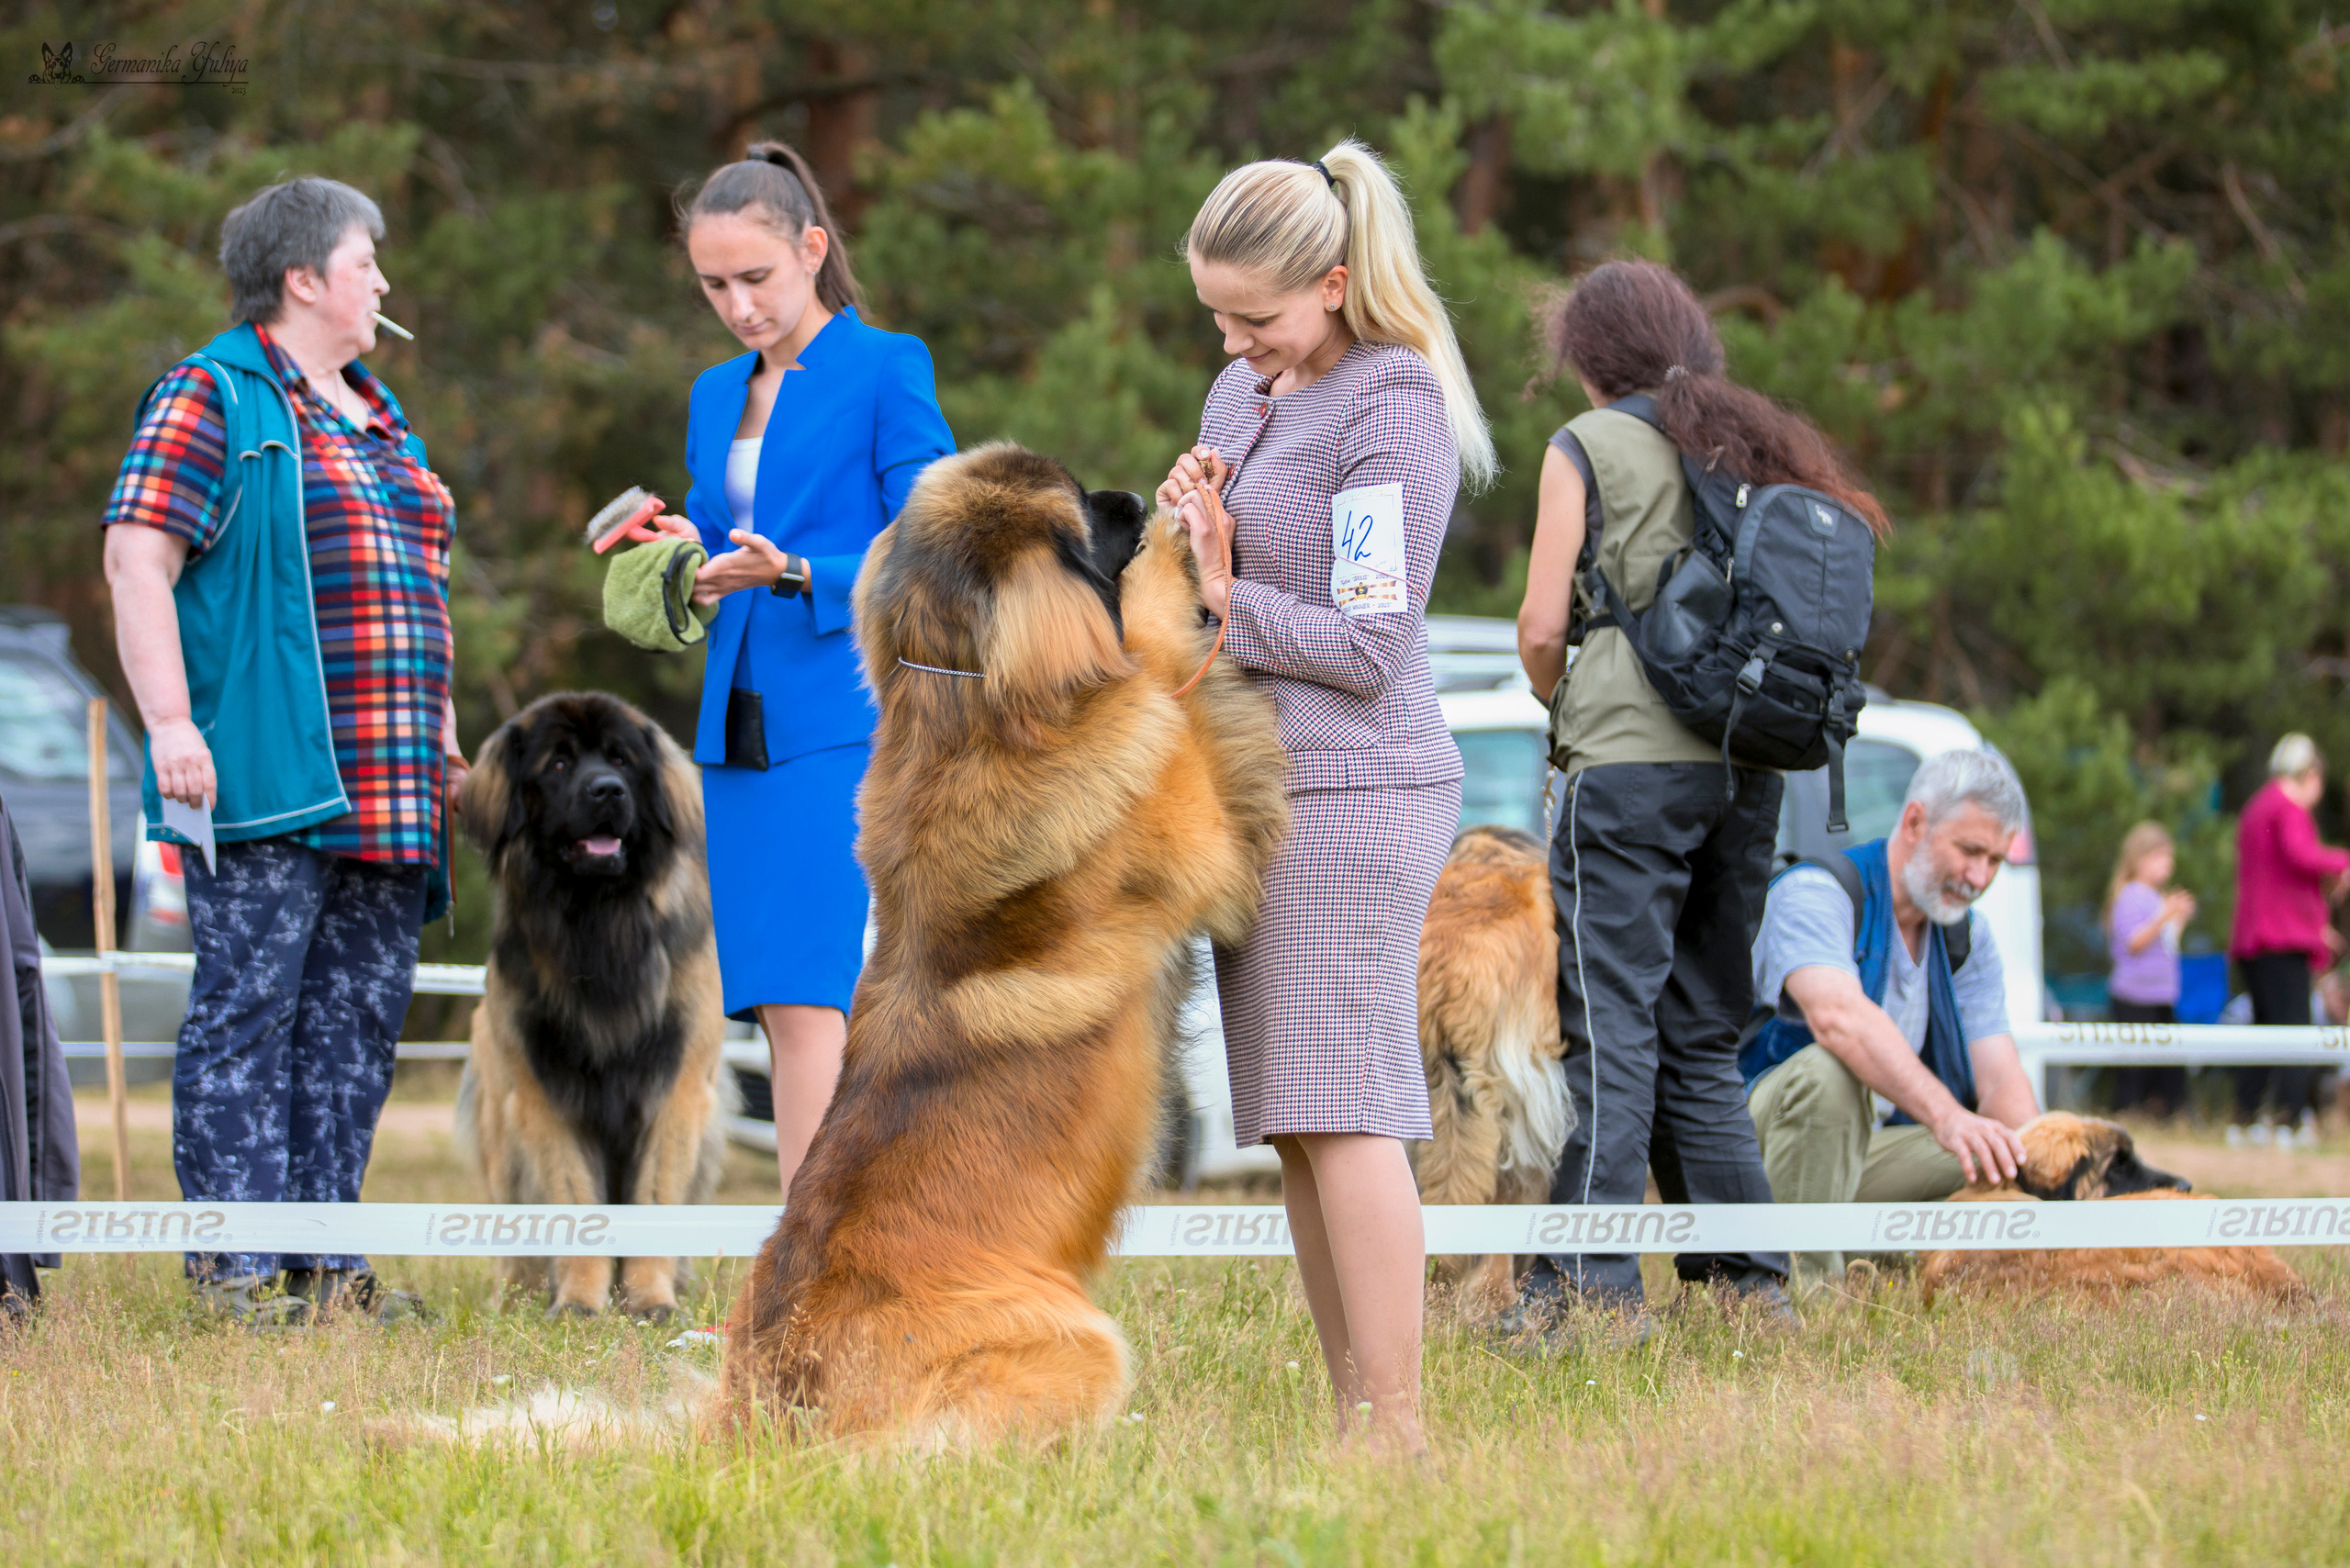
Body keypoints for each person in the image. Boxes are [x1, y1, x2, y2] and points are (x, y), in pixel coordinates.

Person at [1158, 140, 1487, 1449]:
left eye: (1258, 316)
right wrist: (1189, 544)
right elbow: (1202, 588)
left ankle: (1397, 1427)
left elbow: (1365, 643)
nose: (1235, 345)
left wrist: (1225, 590)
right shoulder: (1242, 397)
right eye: (1216, 318)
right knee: (1294, 1118)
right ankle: (1351, 1406)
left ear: (1340, 281)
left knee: (1347, 1110)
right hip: (1252, 786)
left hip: (1359, 786)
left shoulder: (1390, 405)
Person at [100, 176, 454, 1325]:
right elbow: (136, 555)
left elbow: (409, 584)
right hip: (265, 766)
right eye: (367, 263)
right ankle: (237, 1274)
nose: (383, 282)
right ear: (304, 278)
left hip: (389, 783)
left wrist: (439, 727)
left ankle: (323, 1264)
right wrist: (167, 724)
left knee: (353, 1025)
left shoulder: (375, 411)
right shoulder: (213, 395)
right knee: (250, 1012)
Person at [1512, 259, 1891, 1324]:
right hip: (1745, 773)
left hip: (1626, 774)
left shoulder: (1585, 445)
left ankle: (1586, 1288)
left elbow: (1543, 626)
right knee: (1699, 1034)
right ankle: (1747, 1287)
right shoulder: (1748, 444)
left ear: (1587, 358)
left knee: (1612, 1024)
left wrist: (1565, 700)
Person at [650, 143, 953, 1194]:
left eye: (756, 279)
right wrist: (672, 562)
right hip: (733, 723)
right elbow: (709, 531)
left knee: (819, 991)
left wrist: (800, 574)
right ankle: (809, 1252)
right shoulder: (709, 392)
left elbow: (930, 534)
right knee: (781, 997)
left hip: (843, 709)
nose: (736, 306)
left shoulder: (887, 366)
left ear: (812, 251)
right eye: (713, 285)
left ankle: (814, 1262)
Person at [1742, 749, 2041, 1293]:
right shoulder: (1817, 891)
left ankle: (1892, 1264)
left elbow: (2000, 1080)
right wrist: (1949, 1117)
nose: (1979, 877)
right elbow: (1839, 1019)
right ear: (1914, 822)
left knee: (2007, 1157)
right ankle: (1798, 1296)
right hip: (1759, 1151)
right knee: (1829, 1075)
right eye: (1970, 851)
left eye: (1996, 860)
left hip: (1867, 1151)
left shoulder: (1967, 937)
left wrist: (2044, 1166)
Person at [2227, 733, 2350, 1137]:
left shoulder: (2257, 807)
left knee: (2263, 1029)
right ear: (2311, 775)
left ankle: (2245, 1118)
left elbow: (2278, 878)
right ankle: (2290, 1120)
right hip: (2281, 939)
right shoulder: (2289, 809)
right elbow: (2302, 856)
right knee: (2295, 1029)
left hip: (2252, 937)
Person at [2105, 821, 2195, 1116]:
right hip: (2134, 994)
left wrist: (2178, 918)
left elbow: (2167, 944)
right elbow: (2134, 941)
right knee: (2134, 1066)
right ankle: (2129, 1111)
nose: (2168, 865)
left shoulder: (2156, 897)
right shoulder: (2130, 895)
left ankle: (2164, 1111)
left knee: (2167, 1064)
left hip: (2161, 993)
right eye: (2162, 857)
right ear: (2141, 859)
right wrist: (2164, 914)